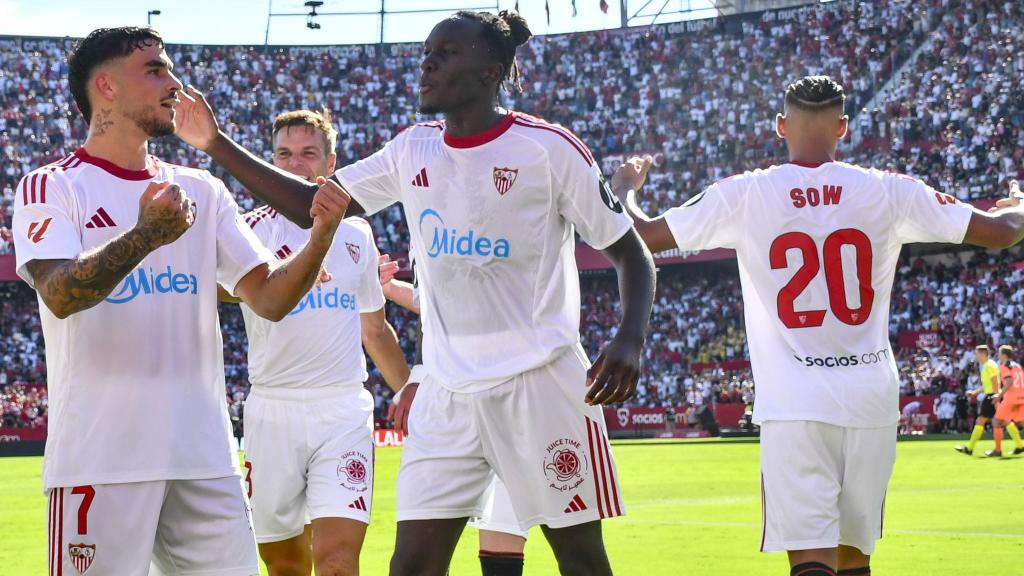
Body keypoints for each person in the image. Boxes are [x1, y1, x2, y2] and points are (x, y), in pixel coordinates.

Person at [174, 10, 656, 575]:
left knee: (579, 558)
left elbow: (630, 251)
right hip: (447, 395)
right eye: (427, 51)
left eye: (447, 53)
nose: (427, 62)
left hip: (539, 382)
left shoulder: (548, 150)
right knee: (411, 567)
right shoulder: (411, 149)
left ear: (490, 71)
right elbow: (314, 206)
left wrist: (629, 338)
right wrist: (215, 143)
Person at [612, 75, 1024, 576]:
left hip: (795, 401)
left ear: (781, 125)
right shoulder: (890, 190)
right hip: (871, 395)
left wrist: (624, 188)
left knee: (811, 556)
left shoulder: (746, 193)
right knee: (854, 557)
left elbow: (643, 236)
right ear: (843, 128)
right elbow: (1002, 234)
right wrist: (1018, 206)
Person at [12, 27, 349, 575]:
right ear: (106, 87)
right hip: (102, 461)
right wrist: (146, 235)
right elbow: (60, 294)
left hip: (205, 458)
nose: (174, 83)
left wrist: (321, 236)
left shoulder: (202, 188)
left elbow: (269, 299)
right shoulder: (51, 187)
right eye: (154, 70)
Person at [219, 109, 410, 576]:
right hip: (272, 412)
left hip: (342, 411)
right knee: (284, 563)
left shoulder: (358, 234)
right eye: (283, 153)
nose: (294, 164)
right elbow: (219, 290)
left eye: (308, 154)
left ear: (330, 163)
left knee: (339, 562)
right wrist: (294, 272)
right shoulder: (247, 232)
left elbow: (374, 328)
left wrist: (407, 389)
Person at [378, 253, 529, 576]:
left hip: (518, 380)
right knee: (417, 558)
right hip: (450, 389)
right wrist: (391, 290)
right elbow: (437, 303)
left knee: (559, 546)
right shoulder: (423, 216)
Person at [956, 345, 1002, 456]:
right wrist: (975, 392)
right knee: (1003, 421)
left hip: (992, 396)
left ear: (982, 354)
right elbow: (987, 384)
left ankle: (970, 448)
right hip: (992, 395)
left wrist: (996, 397)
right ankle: (1017, 446)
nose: (975, 356)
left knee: (983, 421)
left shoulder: (989, 365)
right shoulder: (987, 365)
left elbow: (995, 382)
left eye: (976, 353)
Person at [987, 345, 1024, 457]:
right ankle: (1019, 446)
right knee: (1020, 422)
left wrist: (999, 395)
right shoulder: (1017, 365)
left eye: (999, 353)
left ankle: (998, 450)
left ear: (1003, 355)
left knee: (996, 422)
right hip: (1021, 396)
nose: (998, 355)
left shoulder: (1004, 366)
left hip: (1011, 398)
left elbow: (1008, 381)